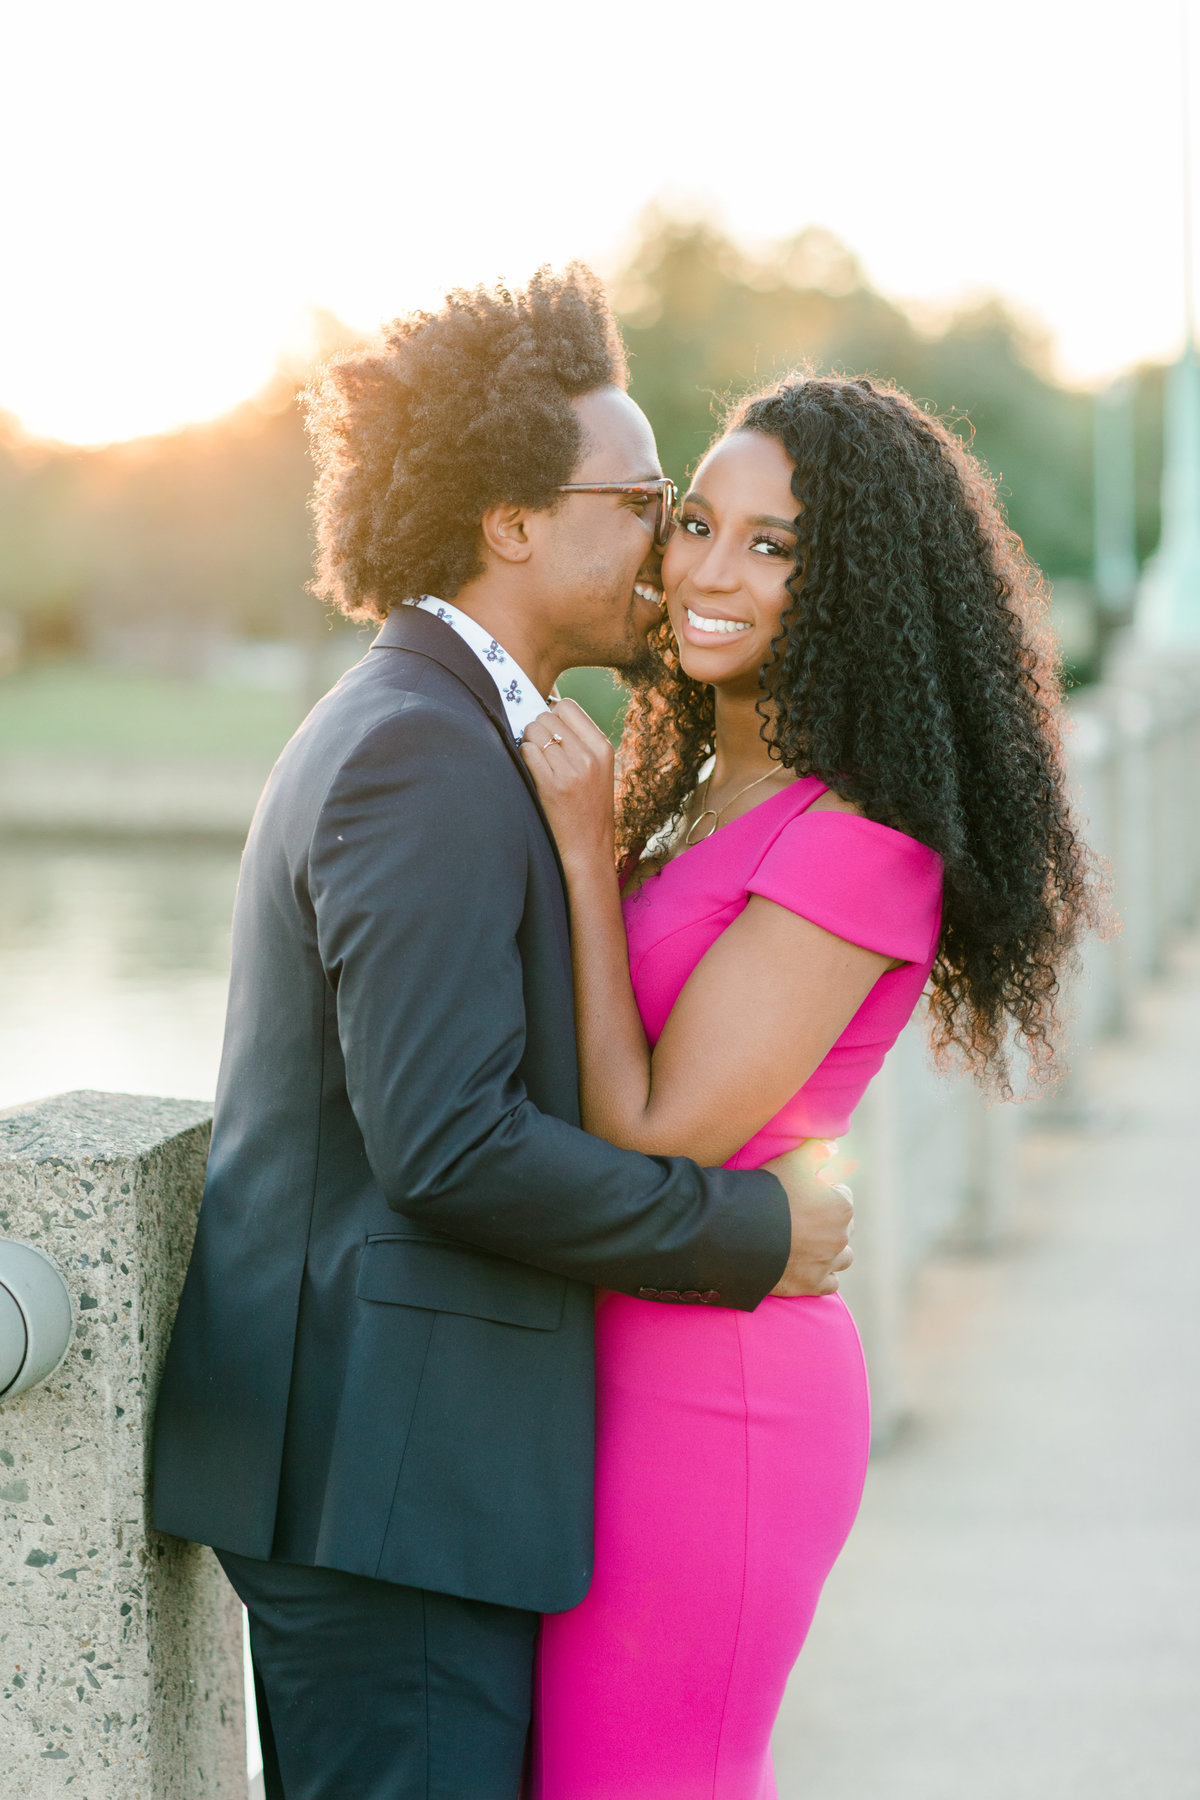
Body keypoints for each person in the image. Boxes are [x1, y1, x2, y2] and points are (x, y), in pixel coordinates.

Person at [150, 270, 856, 1800]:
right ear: (512, 524)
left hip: (394, 1473)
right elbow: (449, 1144)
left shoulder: (461, 730)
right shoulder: (423, 751)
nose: (670, 547)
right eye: (648, 499)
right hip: (385, 1486)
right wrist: (747, 1229)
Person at [520, 373, 1096, 1799]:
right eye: (699, 523)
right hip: (616, 1359)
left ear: (859, 587)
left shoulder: (855, 842)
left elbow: (654, 1127)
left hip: (718, 1393)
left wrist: (584, 863)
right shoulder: (700, 800)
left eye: (775, 546)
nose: (711, 572)